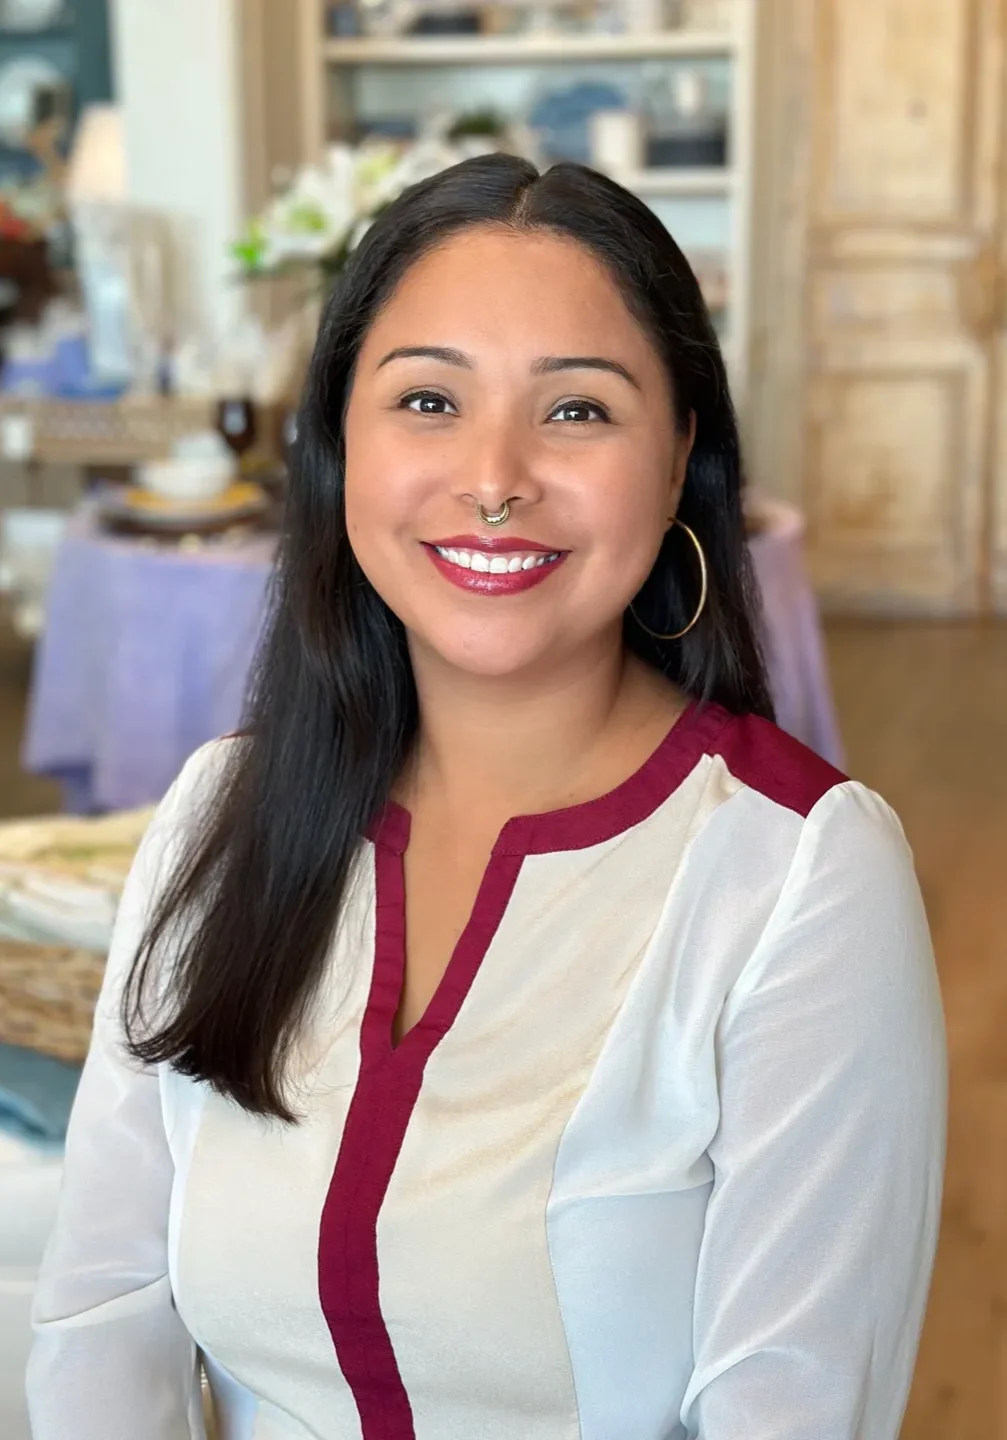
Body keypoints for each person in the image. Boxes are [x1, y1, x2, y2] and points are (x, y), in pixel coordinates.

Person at [27, 154, 946, 1440]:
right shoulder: (216, 812)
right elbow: (101, 1318)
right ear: (336, 437)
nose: (494, 476)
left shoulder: (797, 875)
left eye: (576, 411)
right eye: (426, 400)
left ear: (680, 452)